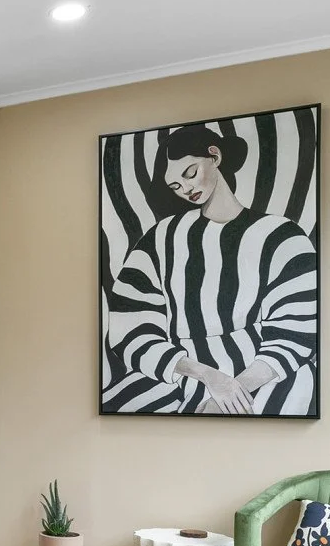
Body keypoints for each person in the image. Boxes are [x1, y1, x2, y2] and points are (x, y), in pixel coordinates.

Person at [106, 125, 317, 415]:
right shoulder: (161, 238)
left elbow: (297, 329)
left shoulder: (280, 235)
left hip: (266, 374)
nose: (186, 189)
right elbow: (130, 325)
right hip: (179, 375)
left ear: (214, 156)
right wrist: (209, 376)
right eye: (175, 186)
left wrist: (231, 392)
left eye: (189, 173)